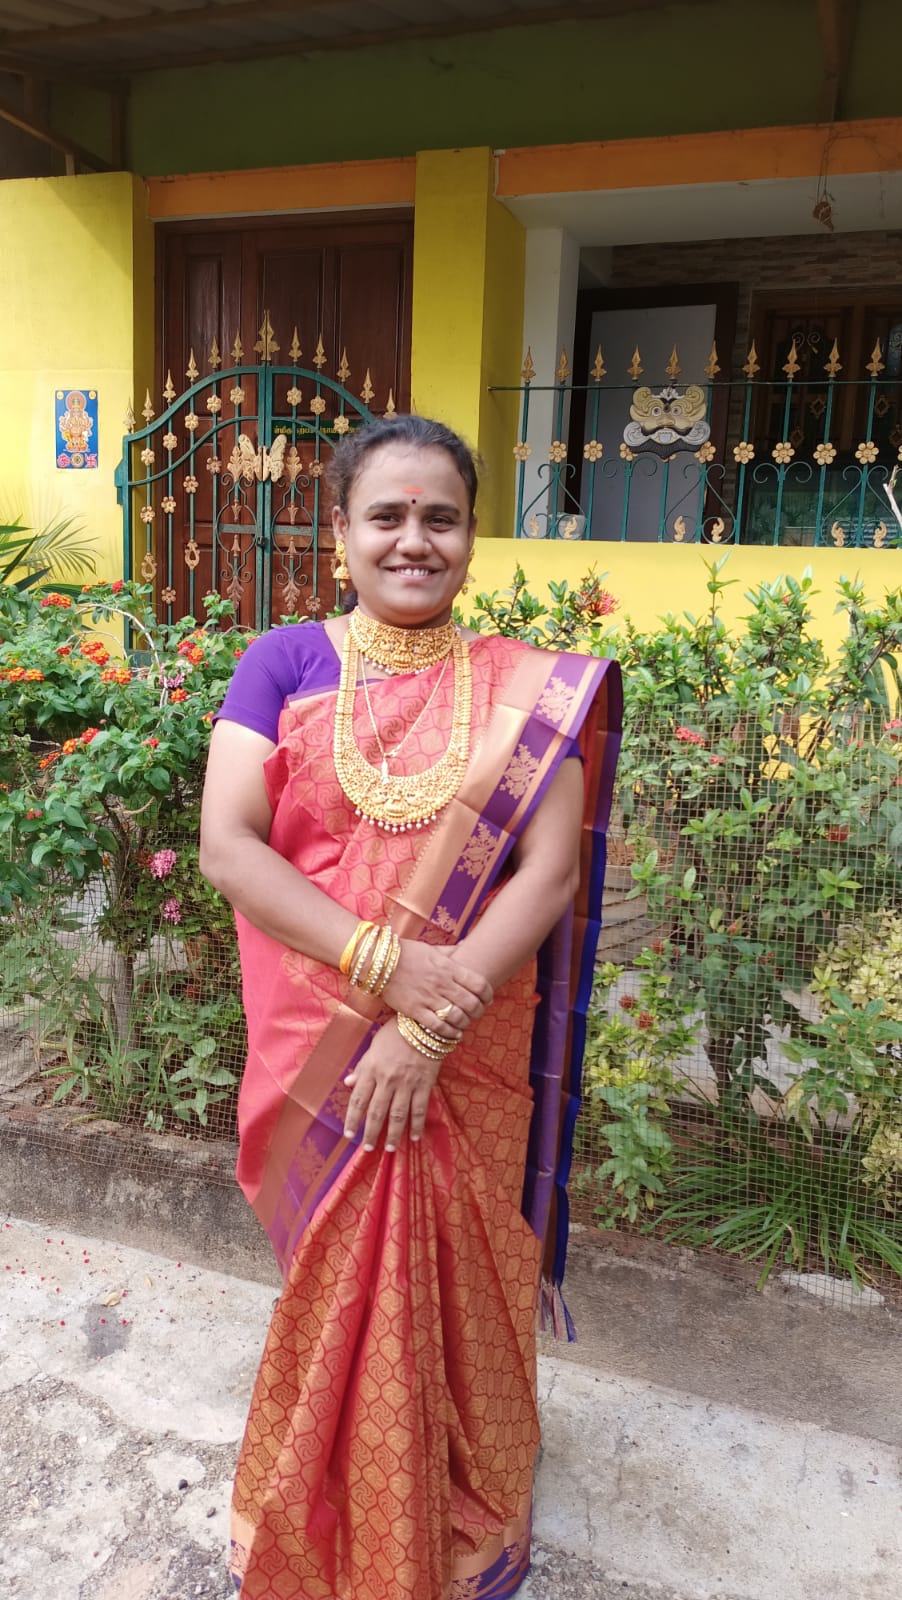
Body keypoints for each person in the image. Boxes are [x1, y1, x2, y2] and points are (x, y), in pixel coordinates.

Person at [199, 414, 622, 1600]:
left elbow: (546, 873)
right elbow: (230, 845)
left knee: (457, 1277)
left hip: (467, 1037)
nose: (413, 540)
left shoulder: (525, 690)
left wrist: (430, 1026)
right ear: (340, 532)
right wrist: (386, 969)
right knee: (343, 1287)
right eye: (385, 515)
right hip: (320, 1042)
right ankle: (336, 1507)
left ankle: (464, 1513)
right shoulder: (282, 662)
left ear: (469, 536)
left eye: (440, 517)